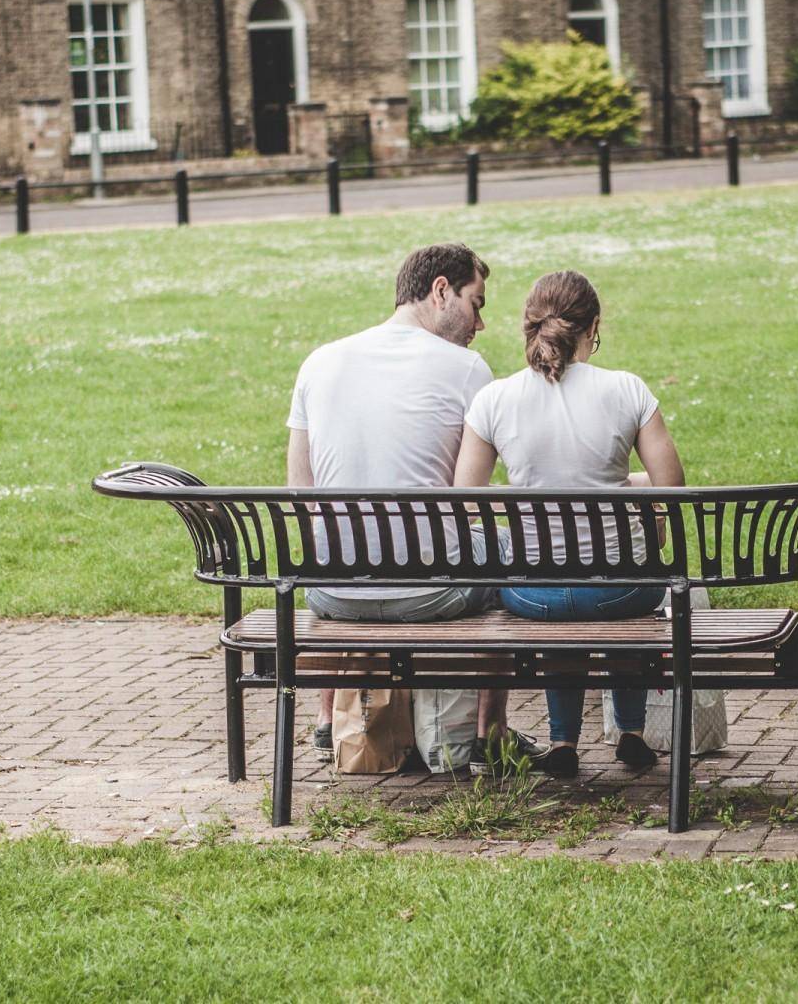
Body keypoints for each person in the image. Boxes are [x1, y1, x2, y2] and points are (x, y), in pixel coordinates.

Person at [286, 241, 539, 773]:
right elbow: (471, 497)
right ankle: (487, 731)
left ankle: (328, 719)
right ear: (440, 291)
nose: (481, 322)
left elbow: (302, 492)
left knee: (342, 542)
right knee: (509, 566)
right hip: (430, 593)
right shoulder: (466, 369)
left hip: (332, 593)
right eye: (477, 302)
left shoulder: (319, 362)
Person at [452, 270, 685, 778]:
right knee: (626, 598)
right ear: (593, 326)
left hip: (534, 594)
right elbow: (672, 485)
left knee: (560, 608)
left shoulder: (495, 399)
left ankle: (562, 740)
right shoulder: (627, 389)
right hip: (624, 591)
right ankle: (631, 732)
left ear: (530, 326)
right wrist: (632, 491)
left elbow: (466, 499)